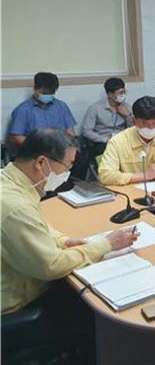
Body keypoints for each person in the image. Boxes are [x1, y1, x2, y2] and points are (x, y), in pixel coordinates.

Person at [1, 129, 139, 314]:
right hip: (16, 303)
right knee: (94, 304)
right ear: (41, 162)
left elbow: (39, 226)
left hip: (24, 277)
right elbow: (51, 266)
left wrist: (64, 241)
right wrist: (107, 244)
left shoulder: (9, 180)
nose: (66, 173)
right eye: (67, 166)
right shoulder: (16, 206)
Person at [7, 72, 76, 152]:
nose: (47, 95)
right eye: (44, 93)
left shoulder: (61, 107)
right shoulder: (23, 110)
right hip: (34, 151)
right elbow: (16, 138)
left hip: (59, 150)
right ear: (35, 89)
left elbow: (70, 133)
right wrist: (40, 146)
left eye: (51, 93)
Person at [81, 77, 134, 157]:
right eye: (120, 93)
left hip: (122, 141)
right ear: (110, 94)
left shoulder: (127, 107)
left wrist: (128, 115)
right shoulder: (95, 108)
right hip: (102, 142)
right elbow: (86, 131)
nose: (123, 95)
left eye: (124, 92)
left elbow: (134, 129)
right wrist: (105, 139)